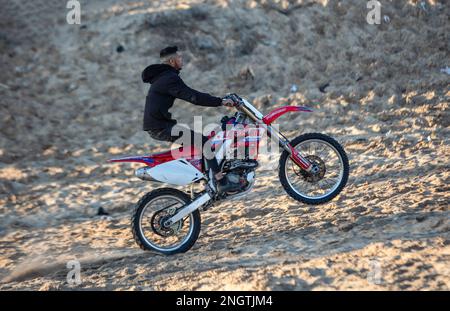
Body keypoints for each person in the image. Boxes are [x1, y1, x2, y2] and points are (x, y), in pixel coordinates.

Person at [142, 46, 239, 193]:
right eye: (180, 58)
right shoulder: (169, 78)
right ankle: (221, 181)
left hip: (160, 124)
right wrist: (220, 101)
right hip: (159, 127)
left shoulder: (164, 77)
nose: (182, 60)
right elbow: (194, 97)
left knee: (204, 140)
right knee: (204, 142)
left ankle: (209, 178)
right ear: (172, 60)